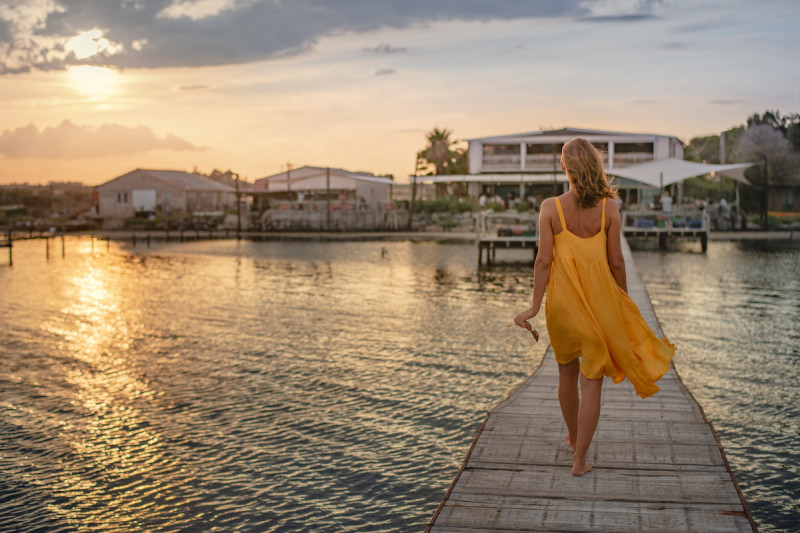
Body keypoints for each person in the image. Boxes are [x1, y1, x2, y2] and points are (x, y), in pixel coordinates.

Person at [514, 137, 675, 477]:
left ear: (565, 167)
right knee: (592, 383)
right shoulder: (610, 208)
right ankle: (579, 460)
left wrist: (533, 306)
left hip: (562, 308)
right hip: (599, 309)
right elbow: (617, 262)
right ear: (595, 166)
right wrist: (624, 302)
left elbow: (543, 261)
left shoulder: (549, 208)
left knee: (565, 375)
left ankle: (573, 437)